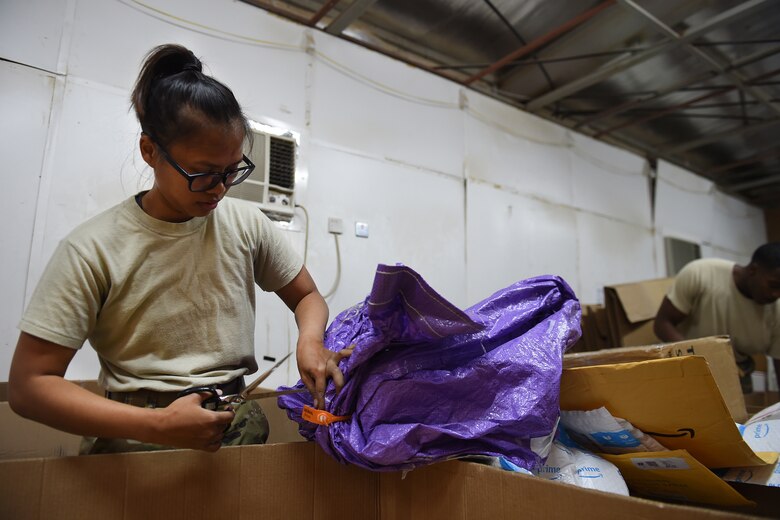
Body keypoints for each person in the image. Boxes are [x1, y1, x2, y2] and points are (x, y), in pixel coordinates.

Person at [8, 43, 350, 454]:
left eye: (232, 171)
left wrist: (310, 340)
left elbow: (307, 296)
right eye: (203, 174)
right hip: (133, 440)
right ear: (150, 151)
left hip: (234, 428)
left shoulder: (245, 224)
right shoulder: (93, 249)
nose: (220, 189)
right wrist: (158, 425)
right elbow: (30, 387)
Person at [654, 242, 780, 393]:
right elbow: (663, 323)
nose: (776, 295)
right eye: (773, 285)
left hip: (736, 372)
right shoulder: (702, 274)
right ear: (753, 270)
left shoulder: (777, 311)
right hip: (685, 367)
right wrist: (695, 357)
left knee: (737, 415)